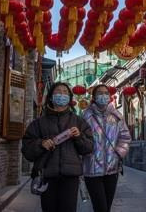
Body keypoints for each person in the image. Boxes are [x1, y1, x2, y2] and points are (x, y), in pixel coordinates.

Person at [21, 82, 94, 212]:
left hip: (71, 177)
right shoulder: (38, 123)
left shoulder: (78, 121)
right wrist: (41, 144)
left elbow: (88, 148)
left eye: (65, 92)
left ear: (70, 98)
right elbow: (27, 151)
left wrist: (78, 137)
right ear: (50, 97)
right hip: (47, 175)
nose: (62, 95)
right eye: (58, 92)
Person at [82, 84, 132, 212]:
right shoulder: (86, 116)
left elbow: (125, 137)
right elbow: (80, 140)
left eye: (105, 93)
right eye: (99, 93)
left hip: (112, 169)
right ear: (94, 97)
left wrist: (119, 153)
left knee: (107, 207)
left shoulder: (116, 116)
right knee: (101, 208)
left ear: (109, 96)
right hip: (92, 169)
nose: (103, 95)